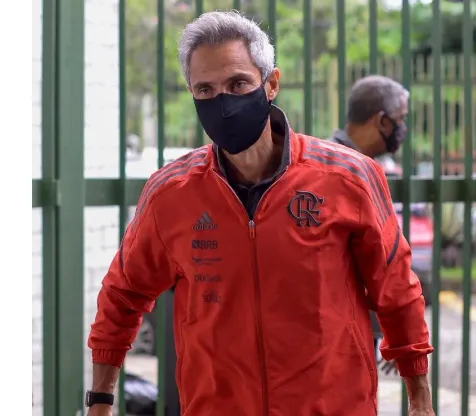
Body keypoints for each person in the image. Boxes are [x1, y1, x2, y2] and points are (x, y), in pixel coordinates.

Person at [86, 11, 434, 416]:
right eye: (205, 89)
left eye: (237, 84)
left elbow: (396, 292)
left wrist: (420, 401)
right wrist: (101, 401)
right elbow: (123, 294)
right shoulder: (171, 194)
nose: (223, 102)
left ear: (271, 84)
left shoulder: (349, 177)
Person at [326, 75, 409, 376]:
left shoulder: (360, 166)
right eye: (402, 119)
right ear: (382, 122)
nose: (404, 129)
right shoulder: (338, 170)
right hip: (338, 328)